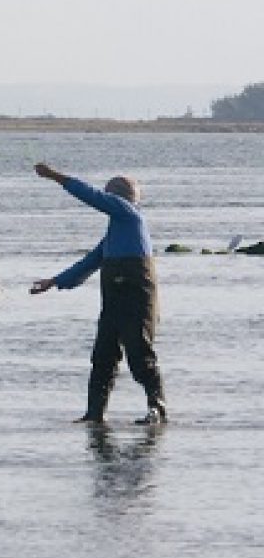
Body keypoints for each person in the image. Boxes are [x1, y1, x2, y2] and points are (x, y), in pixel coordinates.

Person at [30, 163, 166, 425]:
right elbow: (90, 262)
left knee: (139, 353)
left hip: (137, 297)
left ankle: (157, 408)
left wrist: (56, 176)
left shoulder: (130, 215)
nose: (106, 201)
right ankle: (95, 414)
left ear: (120, 197)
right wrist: (55, 281)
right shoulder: (116, 232)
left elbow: (92, 196)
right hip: (114, 301)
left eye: (110, 196)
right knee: (103, 355)